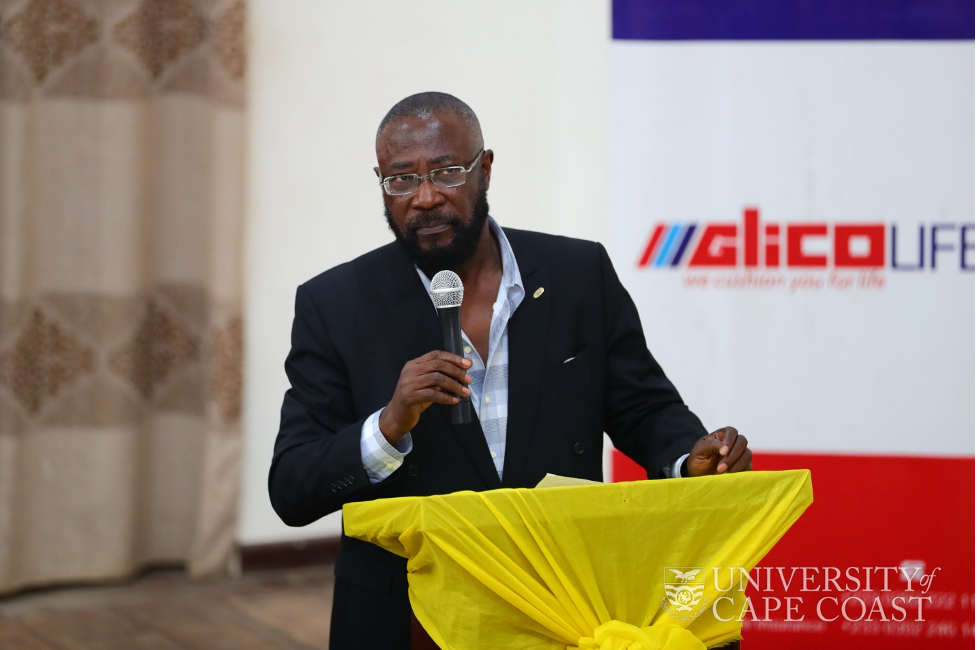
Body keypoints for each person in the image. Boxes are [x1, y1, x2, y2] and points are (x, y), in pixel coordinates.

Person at [268, 92, 752, 649]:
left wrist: (685, 457)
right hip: (413, 619)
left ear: (486, 169)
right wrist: (388, 425)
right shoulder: (335, 304)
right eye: (401, 179)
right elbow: (292, 490)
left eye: (447, 171)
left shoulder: (577, 274)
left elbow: (643, 407)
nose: (425, 197)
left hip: (561, 602)